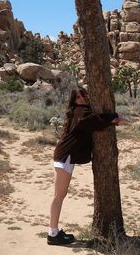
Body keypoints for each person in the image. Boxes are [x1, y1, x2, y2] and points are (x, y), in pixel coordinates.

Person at [47, 87, 125, 246]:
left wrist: (111, 121)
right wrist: (113, 117)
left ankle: (53, 232)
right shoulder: (80, 112)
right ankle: (53, 234)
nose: (82, 99)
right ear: (74, 101)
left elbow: (93, 123)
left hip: (63, 155)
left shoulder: (79, 112)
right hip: (65, 156)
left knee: (59, 194)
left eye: (83, 95)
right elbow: (92, 121)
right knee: (59, 195)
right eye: (78, 97)